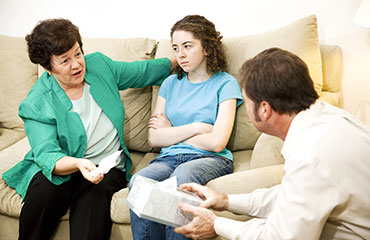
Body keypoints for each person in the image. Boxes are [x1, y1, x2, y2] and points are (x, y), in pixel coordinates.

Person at [2, 18, 174, 240]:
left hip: (106, 164)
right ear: (47, 67)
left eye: (77, 54)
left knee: (92, 205)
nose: (76, 64)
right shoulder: (36, 102)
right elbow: (47, 155)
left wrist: (179, 60)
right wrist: (77, 163)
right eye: (64, 61)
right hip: (64, 163)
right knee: (42, 199)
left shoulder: (99, 66)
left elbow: (142, 71)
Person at [174, 47, 370, 239]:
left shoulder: (309, 156)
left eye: (246, 101)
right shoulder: (329, 116)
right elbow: (293, 197)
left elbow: (280, 236)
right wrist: (225, 201)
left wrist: (216, 224)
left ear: (264, 109)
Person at [129, 15, 243, 240]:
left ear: (207, 48)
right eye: (175, 48)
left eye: (187, 46)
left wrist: (171, 131)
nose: (180, 54)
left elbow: (217, 142)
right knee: (139, 181)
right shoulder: (170, 83)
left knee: (184, 176)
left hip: (211, 159)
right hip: (168, 158)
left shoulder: (226, 83)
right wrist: (197, 127)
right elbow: (154, 138)